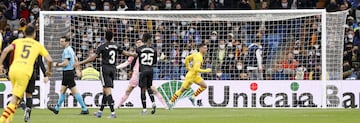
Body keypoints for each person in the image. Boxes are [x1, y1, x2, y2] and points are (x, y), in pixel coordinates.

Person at [75, 30, 137, 118]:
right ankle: (100, 112)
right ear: (112, 37)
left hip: (105, 69)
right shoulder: (116, 45)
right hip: (113, 69)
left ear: (105, 37)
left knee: (107, 91)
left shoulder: (102, 46)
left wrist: (80, 63)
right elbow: (125, 53)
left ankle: (113, 113)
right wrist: (133, 54)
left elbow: (93, 58)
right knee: (105, 90)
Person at [0, 26, 53, 123]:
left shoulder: (17, 41)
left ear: (24, 34)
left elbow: (5, 51)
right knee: (15, 99)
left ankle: (8, 121)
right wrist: (48, 71)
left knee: (17, 97)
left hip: (13, 70)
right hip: (24, 72)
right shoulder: (37, 45)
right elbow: (49, 60)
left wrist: (0, 65)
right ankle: (2, 120)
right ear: (34, 34)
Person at [115, 42, 167, 110]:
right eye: (137, 42)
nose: (138, 43)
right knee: (128, 91)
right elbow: (126, 63)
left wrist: (160, 58)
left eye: (140, 42)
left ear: (143, 43)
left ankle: (165, 105)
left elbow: (152, 60)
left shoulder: (145, 52)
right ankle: (118, 105)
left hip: (143, 73)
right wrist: (116, 67)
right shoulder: (135, 54)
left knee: (154, 90)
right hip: (136, 75)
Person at [47, 36, 89, 115]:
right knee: (62, 91)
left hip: (68, 73)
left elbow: (66, 63)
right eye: (60, 41)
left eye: (62, 41)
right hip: (68, 73)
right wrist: (77, 69)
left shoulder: (67, 50)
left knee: (74, 92)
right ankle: (56, 109)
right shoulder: (71, 49)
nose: (61, 42)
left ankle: (84, 108)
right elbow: (76, 59)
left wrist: (57, 64)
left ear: (67, 42)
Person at [168, 43, 212, 109]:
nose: (206, 49)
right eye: (205, 48)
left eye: (206, 48)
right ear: (200, 49)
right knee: (182, 90)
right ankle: (170, 103)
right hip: (191, 76)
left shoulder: (196, 54)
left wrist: (188, 67)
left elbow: (187, 58)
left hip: (195, 76)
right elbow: (196, 69)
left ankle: (192, 97)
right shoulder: (199, 57)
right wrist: (206, 70)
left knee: (204, 86)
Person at [136, 33, 158, 114]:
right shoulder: (154, 49)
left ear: (143, 40)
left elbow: (136, 57)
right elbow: (155, 62)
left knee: (142, 90)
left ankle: (144, 109)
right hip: (150, 70)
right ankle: (153, 103)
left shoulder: (139, 49)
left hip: (143, 70)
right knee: (149, 87)